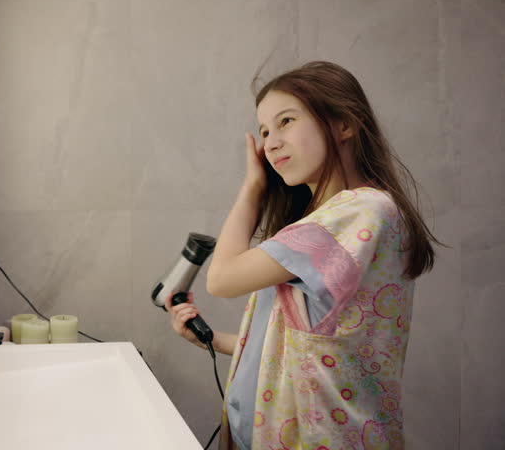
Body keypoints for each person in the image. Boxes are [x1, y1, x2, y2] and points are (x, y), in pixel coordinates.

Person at [165, 61, 441, 450]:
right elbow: (307, 347)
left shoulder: (361, 211)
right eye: (264, 131)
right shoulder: (327, 221)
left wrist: (253, 188)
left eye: (287, 121)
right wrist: (216, 341)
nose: (271, 142)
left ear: (344, 123)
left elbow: (221, 279)